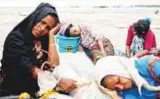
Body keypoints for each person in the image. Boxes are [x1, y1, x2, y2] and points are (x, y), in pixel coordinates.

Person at [0, 3, 77, 97]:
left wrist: (51, 35)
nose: (42, 29)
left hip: (36, 87)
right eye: (42, 22)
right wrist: (59, 81)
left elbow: (53, 64)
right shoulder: (15, 39)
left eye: (48, 27)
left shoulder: (41, 40)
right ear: (35, 17)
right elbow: (32, 71)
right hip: (14, 90)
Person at [95, 54, 160, 99]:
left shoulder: (147, 64)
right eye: (115, 88)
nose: (121, 87)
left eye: (118, 80)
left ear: (121, 70)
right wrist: (114, 96)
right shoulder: (126, 93)